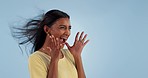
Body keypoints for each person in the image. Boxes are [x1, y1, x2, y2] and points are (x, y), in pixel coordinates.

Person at [12, 9, 89, 78]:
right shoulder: (36, 58)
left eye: (69, 28)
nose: (68, 33)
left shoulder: (69, 54)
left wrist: (77, 56)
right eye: (62, 27)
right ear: (47, 29)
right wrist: (54, 60)